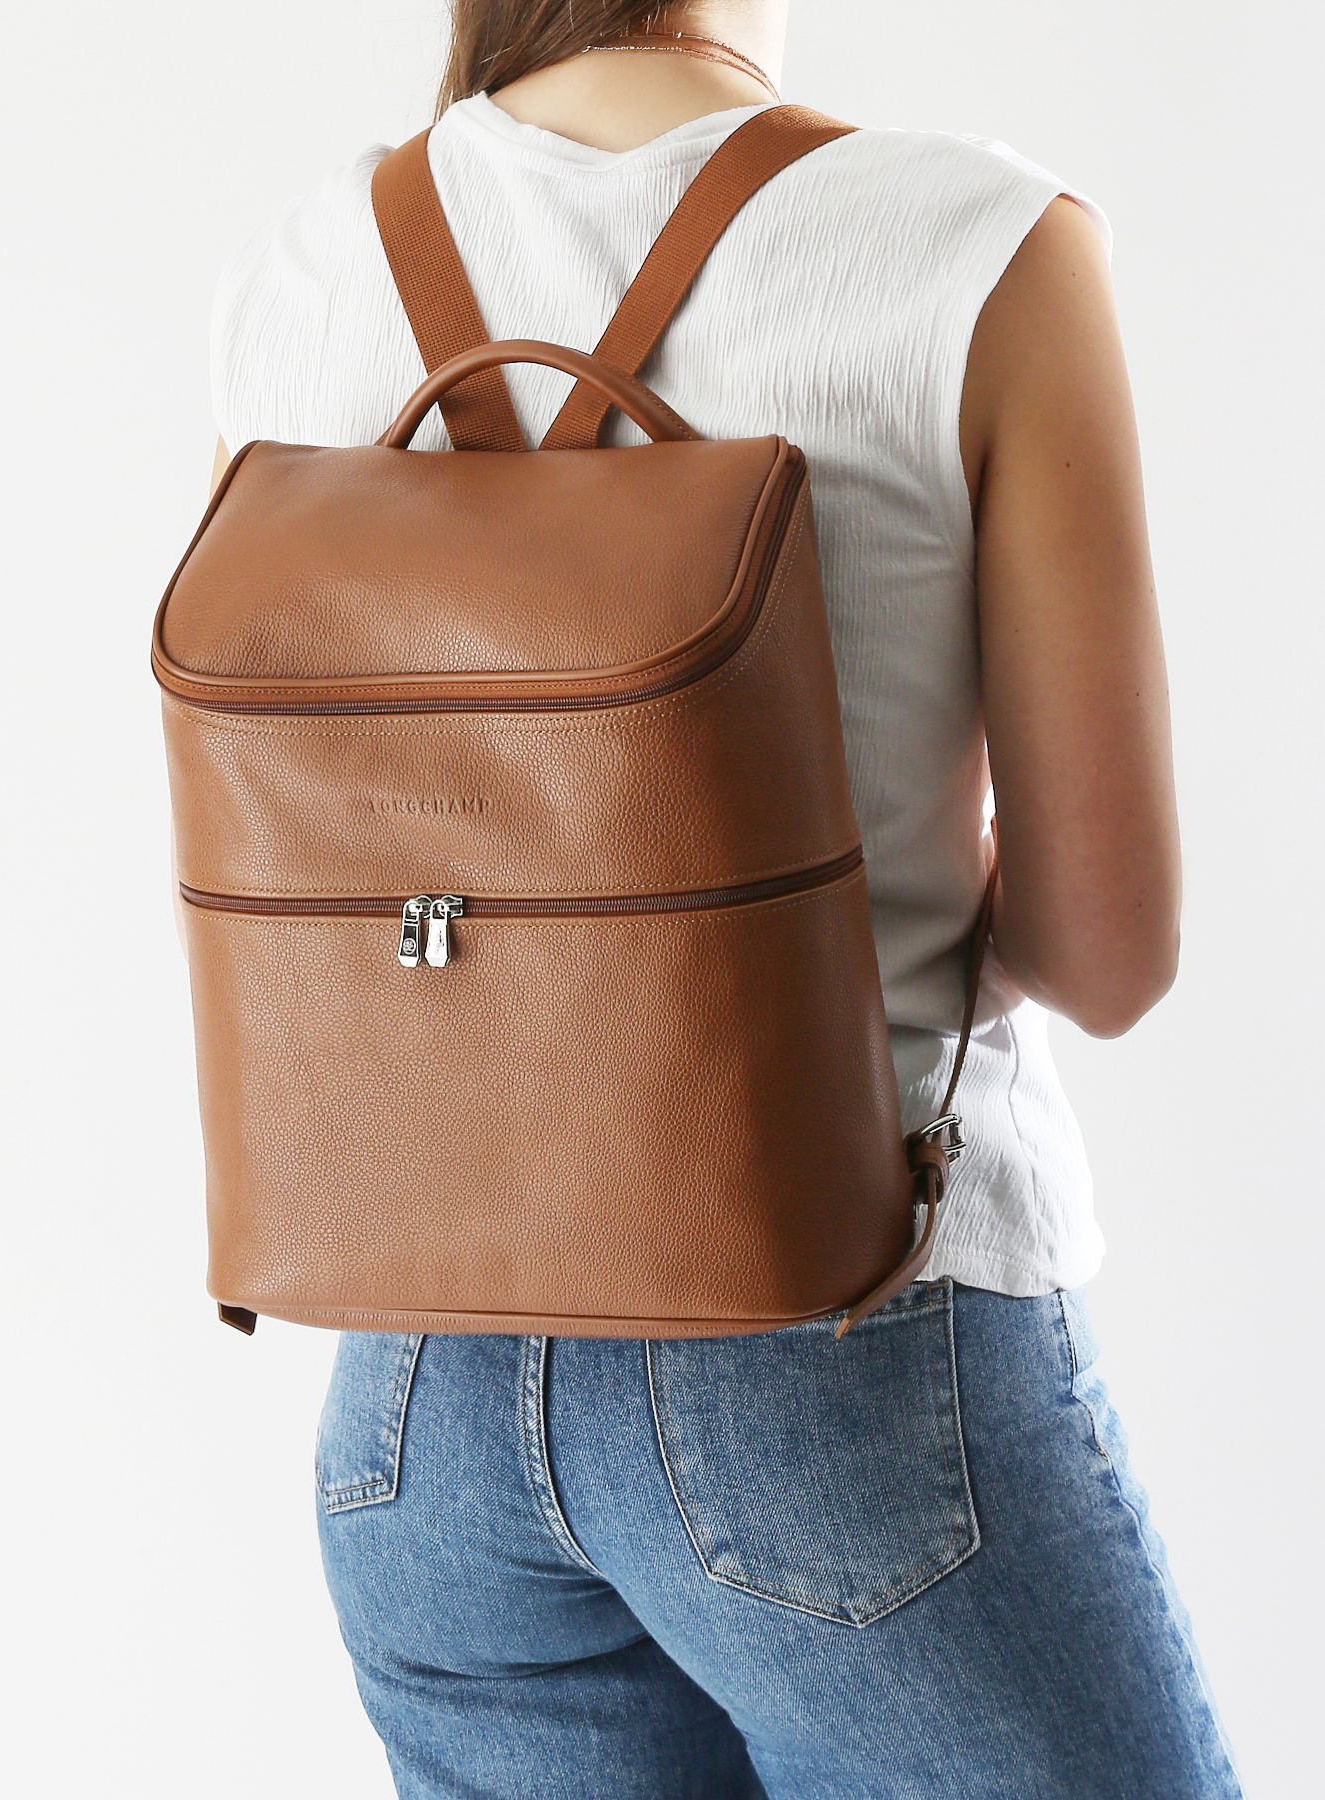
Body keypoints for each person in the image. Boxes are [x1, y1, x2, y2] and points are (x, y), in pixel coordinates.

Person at [206, 4, 1242, 1794]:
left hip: (414, 1404)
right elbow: (1107, 951)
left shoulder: (301, 265)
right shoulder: (976, 247)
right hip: (837, 1346)